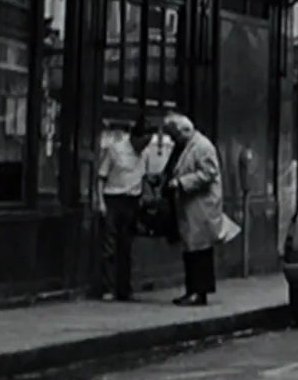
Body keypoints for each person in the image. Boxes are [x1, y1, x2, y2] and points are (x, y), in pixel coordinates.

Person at [161, 113, 225, 306]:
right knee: (191, 248)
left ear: (183, 130)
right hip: (190, 205)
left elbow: (208, 173)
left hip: (200, 205)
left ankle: (199, 291)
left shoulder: (202, 147)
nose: (172, 139)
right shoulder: (185, 146)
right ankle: (193, 289)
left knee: (199, 249)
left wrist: (181, 182)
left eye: (174, 135)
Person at [96, 116, 153, 301]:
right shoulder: (115, 150)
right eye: (143, 142)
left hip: (132, 201)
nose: (143, 147)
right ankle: (108, 287)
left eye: (147, 143)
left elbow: (143, 176)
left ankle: (124, 288)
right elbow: (101, 176)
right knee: (110, 247)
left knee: (126, 247)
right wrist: (100, 202)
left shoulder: (144, 154)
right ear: (134, 138)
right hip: (113, 199)